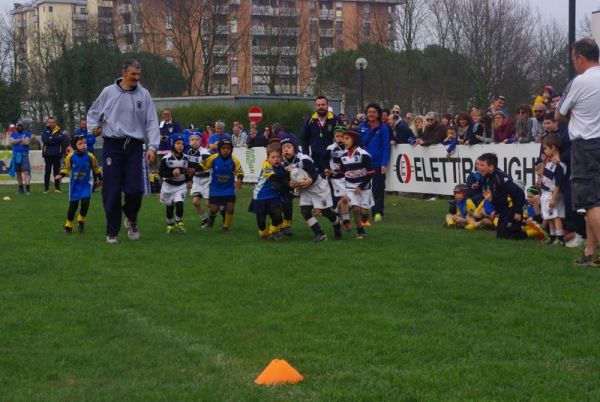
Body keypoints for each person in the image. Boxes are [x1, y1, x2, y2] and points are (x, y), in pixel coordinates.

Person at [87, 59, 160, 244]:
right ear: (124, 73)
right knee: (111, 191)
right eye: (133, 74)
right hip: (113, 145)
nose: (136, 78)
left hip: (135, 146)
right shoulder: (109, 92)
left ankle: (131, 219)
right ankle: (112, 231)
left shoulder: (144, 95)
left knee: (135, 190)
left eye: (138, 74)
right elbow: (93, 114)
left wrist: (152, 147)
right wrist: (93, 128)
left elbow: (151, 121)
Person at [555, 38, 600, 266]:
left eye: (574, 59)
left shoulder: (579, 82)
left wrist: (575, 114)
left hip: (587, 145)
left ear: (580, 58)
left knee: (591, 202)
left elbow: (559, 114)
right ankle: (589, 252)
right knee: (594, 202)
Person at [281, 137, 342, 242]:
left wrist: (310, 180)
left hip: (318, 187)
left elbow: (314, 172)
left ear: (294, 148)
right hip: (305, 190)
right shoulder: (284, 164)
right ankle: (320, 234)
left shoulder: (303, 158)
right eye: (283, 148)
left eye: (289, 147)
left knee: (326, 211)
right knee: (305, 211)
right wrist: (290, 183)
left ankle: (337, 224)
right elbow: (288, 178)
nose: (286, 149)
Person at [55, 135, 103, 234]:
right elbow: (66, 168)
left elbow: (96, 167)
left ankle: (81, 220)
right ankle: (68, 225)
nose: (83, 145)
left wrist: (100, 178)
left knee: (85, 202)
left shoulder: (90, 156)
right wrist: (61, 175)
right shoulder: (70, 157)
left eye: (84, 143)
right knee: (73, 206)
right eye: (80, 144)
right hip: (74, 185)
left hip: (86, 184)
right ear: (75, 146)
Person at [476, 153, 526, 239]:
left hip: (512, 209)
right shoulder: (486, 177)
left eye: (482, 165)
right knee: (500, 235)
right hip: (503, 210)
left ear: (491, 167)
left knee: (509, 236)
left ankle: (529, 232)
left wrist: (518, 212)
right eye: (478, 164)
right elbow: (500, 196)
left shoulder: (501, 178)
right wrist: (496, 209)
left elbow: (520, 194)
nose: (478, 167)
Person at [199, 138, 244, 232]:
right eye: (223, 148)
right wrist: (192, 170)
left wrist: (239, 179)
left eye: (228, 148)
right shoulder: (214, 158)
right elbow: (203, 165)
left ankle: (226, 227)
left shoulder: (234, 160)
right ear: (219, 149)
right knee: (214, 209)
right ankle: (211, 218)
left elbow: (239, 171)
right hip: (216, 188)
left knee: (230, 206)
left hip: (229, 188)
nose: (226, 150)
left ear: (231, 149)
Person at [340, 129, 375, 239]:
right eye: (343, 138)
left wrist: (361, 186)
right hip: (350, 186)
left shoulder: (364, 155)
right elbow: (343, 170)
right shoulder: (343, 155)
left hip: (364, 186)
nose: (344, 141)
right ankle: (360, 231)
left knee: (363, 212)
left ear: (354, 140)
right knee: (355, 209)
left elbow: (371, 173)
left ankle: (365, 218)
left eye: (347, 139)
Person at [249, 143, 288, 240]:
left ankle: (272, 231)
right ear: (268, 158)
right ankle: (262, 232)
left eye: (278, 157)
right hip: (260, 196)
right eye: (273, 157)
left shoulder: (281, 167)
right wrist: (287, 176)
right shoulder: (266, 165)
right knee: (261, 217)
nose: (276, 159)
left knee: (278, 214)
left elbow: (284, 179)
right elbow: (273, 178)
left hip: (274, 196)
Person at [358, 103, 390, 222]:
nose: (371, 114)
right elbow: (358, 144)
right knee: (362, 187)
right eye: (369, 112)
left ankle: (377, 212)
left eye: (374, 112)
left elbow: (386, 147)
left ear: (378, 114)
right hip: (363, 163)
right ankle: (361, 210)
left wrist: (384, 164)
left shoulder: (383, 128)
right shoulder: (362, 127)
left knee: (378, 189)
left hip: (377, 163)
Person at [159, 134, 192, 234]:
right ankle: (170, 225)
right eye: (177, 143)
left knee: (179, 204)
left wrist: (189, 180)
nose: (180, 146)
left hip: (181, 186)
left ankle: (179, 222)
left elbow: (188, 171)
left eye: (182, 144)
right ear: (172, 144)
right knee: (169, 207)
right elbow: (161, 173)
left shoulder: (186, 158)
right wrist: (171, 174)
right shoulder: (166, 158)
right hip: (168, 186)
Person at [539, 134, 567, 246]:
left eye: (545, 148)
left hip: (552, 194)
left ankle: (559, 238)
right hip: (546, 193)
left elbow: (558, 182)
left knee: (555, 216)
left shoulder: (559, 164)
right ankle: (552, 235)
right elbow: (545, 177)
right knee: (549, 217)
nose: (544, 151)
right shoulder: (550, 163)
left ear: (553, 147)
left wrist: (554, 198)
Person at [322, 125, 351, 229]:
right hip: (335, 178)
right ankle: (346, 221)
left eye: (342, 136)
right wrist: (326, 169)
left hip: (348, 177)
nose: (340, 138)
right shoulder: (331, 148)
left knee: (348, 200)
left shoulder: (350, 148)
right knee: (344, 199)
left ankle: (337, 212)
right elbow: (323, 160)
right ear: (334, 137)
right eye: (337, 136)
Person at [300, 95, 340, 171]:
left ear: (327, 105)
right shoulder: (310, 120)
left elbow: (343, 137)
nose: (321, 107)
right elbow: (304, 139)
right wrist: (306, 156)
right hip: (315, 158)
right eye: (318, 105)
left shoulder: (336, 120)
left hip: (331, 158)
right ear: (315, 106)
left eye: (323, 104)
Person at [186, 132, 212, 228]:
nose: (194, 142)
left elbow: (204, 166)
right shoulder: (188, 152)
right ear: (189, 142)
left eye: (197, 140)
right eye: (192, 140)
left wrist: (193, 169)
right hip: (197, 179)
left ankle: (224, 211)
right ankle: (205, 219)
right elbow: (188, 167)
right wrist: (189, 180)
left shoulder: (205, 152)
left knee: (209, 204)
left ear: (200, 141)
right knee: (195, 202)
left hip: (207, 179)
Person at [41, 117, 65, 193]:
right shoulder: (44, 131)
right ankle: (46, 188)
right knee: (47, 172)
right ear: (48, 123)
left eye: (53, 122)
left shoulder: (59, 130)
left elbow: (61, 139)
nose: (51, 123)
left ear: (55, 123)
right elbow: (46, 141)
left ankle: (57, 188)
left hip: (57, 154)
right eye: (50, 122)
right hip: (47, 154)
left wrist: (51, 138)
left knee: (57, 172)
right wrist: (55, 139)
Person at [8, 121, 32, 195]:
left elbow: (27, 142)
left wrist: (16, 141)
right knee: (18, 173)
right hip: (16, 155)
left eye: (21, 126)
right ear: (16, 127)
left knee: (26, 172)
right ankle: (20, 189)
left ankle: (27, 189)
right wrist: (21, 140)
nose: (20, 127)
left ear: (23, 126)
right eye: (18, 126)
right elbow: (12, 142)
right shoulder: (13, 134)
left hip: (24, 155)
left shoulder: (27, 133)